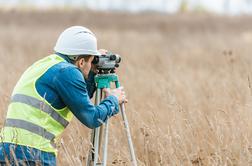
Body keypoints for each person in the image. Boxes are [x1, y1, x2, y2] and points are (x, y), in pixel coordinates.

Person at [0, 26, 127, 165]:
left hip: (7, 150)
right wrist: (113, 100)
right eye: (91, 61)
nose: (92, 65)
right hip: (34, 154)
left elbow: (76, 97)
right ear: (81, 62)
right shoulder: (67, 72)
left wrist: (91, 73)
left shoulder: (47, 64)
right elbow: (92, 118)